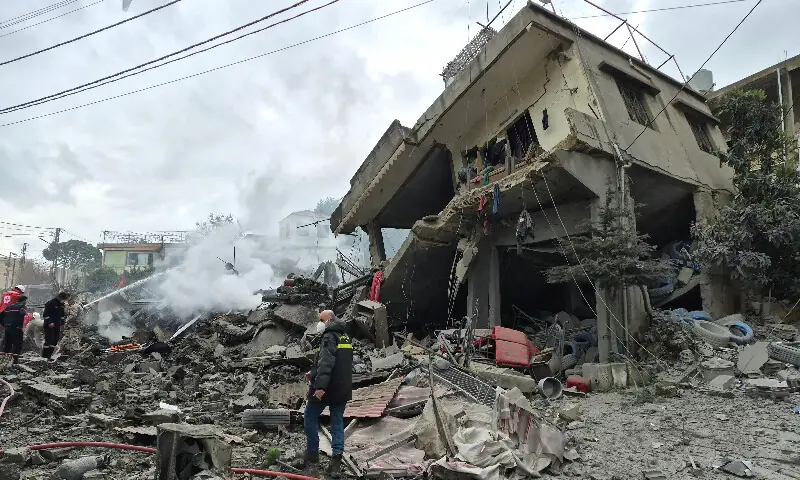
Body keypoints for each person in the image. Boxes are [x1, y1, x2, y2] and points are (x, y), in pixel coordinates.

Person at [303, 310, 352, 475]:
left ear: (330, 320)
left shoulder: (329, 337)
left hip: (328, 388)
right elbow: (337, 364)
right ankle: (336, 464)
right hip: (342, 388)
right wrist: (313, 372)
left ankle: (312, 453)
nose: (320, 323)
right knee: (337, 423)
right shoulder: (344, 337)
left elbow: (327, 364)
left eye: (322, 320)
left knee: (309, 415)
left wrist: (320, 387)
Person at [42, 292, 70, 359]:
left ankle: (49, 355)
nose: (65, 301)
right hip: (50, 325)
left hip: (57, 325)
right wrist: (50, 322)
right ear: (60, 297)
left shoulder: (61, 305)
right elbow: (45, 314)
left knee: (55, 340)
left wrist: (62, 324)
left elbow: (62, 316)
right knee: (49, 340)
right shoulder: (51, 303)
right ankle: (44, 356)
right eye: (64, 299)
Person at [1, 295, 28, 362]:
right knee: (17, 344)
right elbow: (22, 312)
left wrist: (4, 325)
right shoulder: (22, 306)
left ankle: (4, 359)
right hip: (17, 328)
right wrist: (26, 313)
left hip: (7, 328)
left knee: (7, 344)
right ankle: (15, 360)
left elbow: (1, 315)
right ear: (24, 301)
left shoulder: (8, 307)